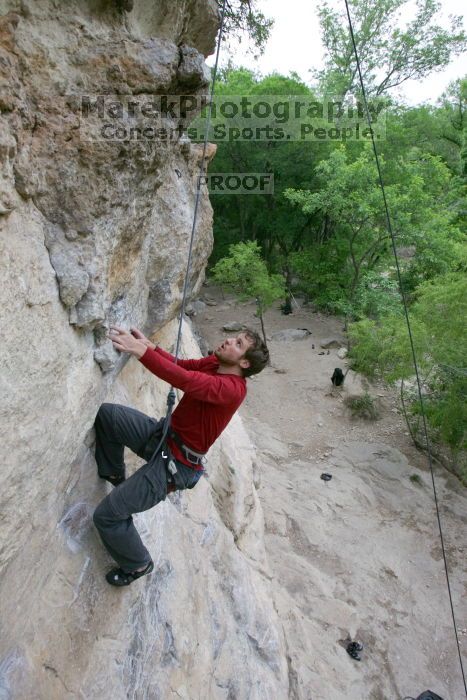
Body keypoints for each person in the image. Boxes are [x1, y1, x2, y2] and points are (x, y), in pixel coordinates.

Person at [93, 325, 269, 587]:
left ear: (243, 362)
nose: (229, 340)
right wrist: (152, 348)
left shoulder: (232, 389)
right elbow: (183, 366)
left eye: (239, 343)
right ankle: (114, 474)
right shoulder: (215, 362)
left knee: (106, 516)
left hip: (174, 465)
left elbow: (185, 380)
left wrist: (143, 353)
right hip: (163, 437)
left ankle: (137, 563)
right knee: (108, 415)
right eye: (235, 337)